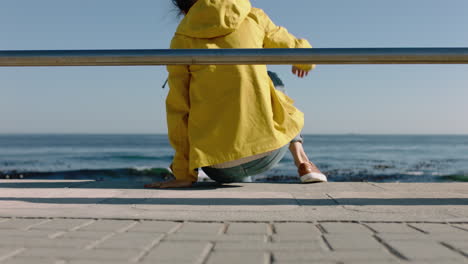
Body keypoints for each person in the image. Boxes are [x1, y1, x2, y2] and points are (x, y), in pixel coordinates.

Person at [145, 0, 327, 189]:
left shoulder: (181, 39)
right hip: (266, 153)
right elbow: (298, 49)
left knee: (228, 150)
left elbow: (178, 110)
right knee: (272, 79)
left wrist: (184, 174)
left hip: (216, 166)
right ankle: (302, 160)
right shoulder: (252, 16)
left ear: (184, 10)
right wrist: (304, 62)